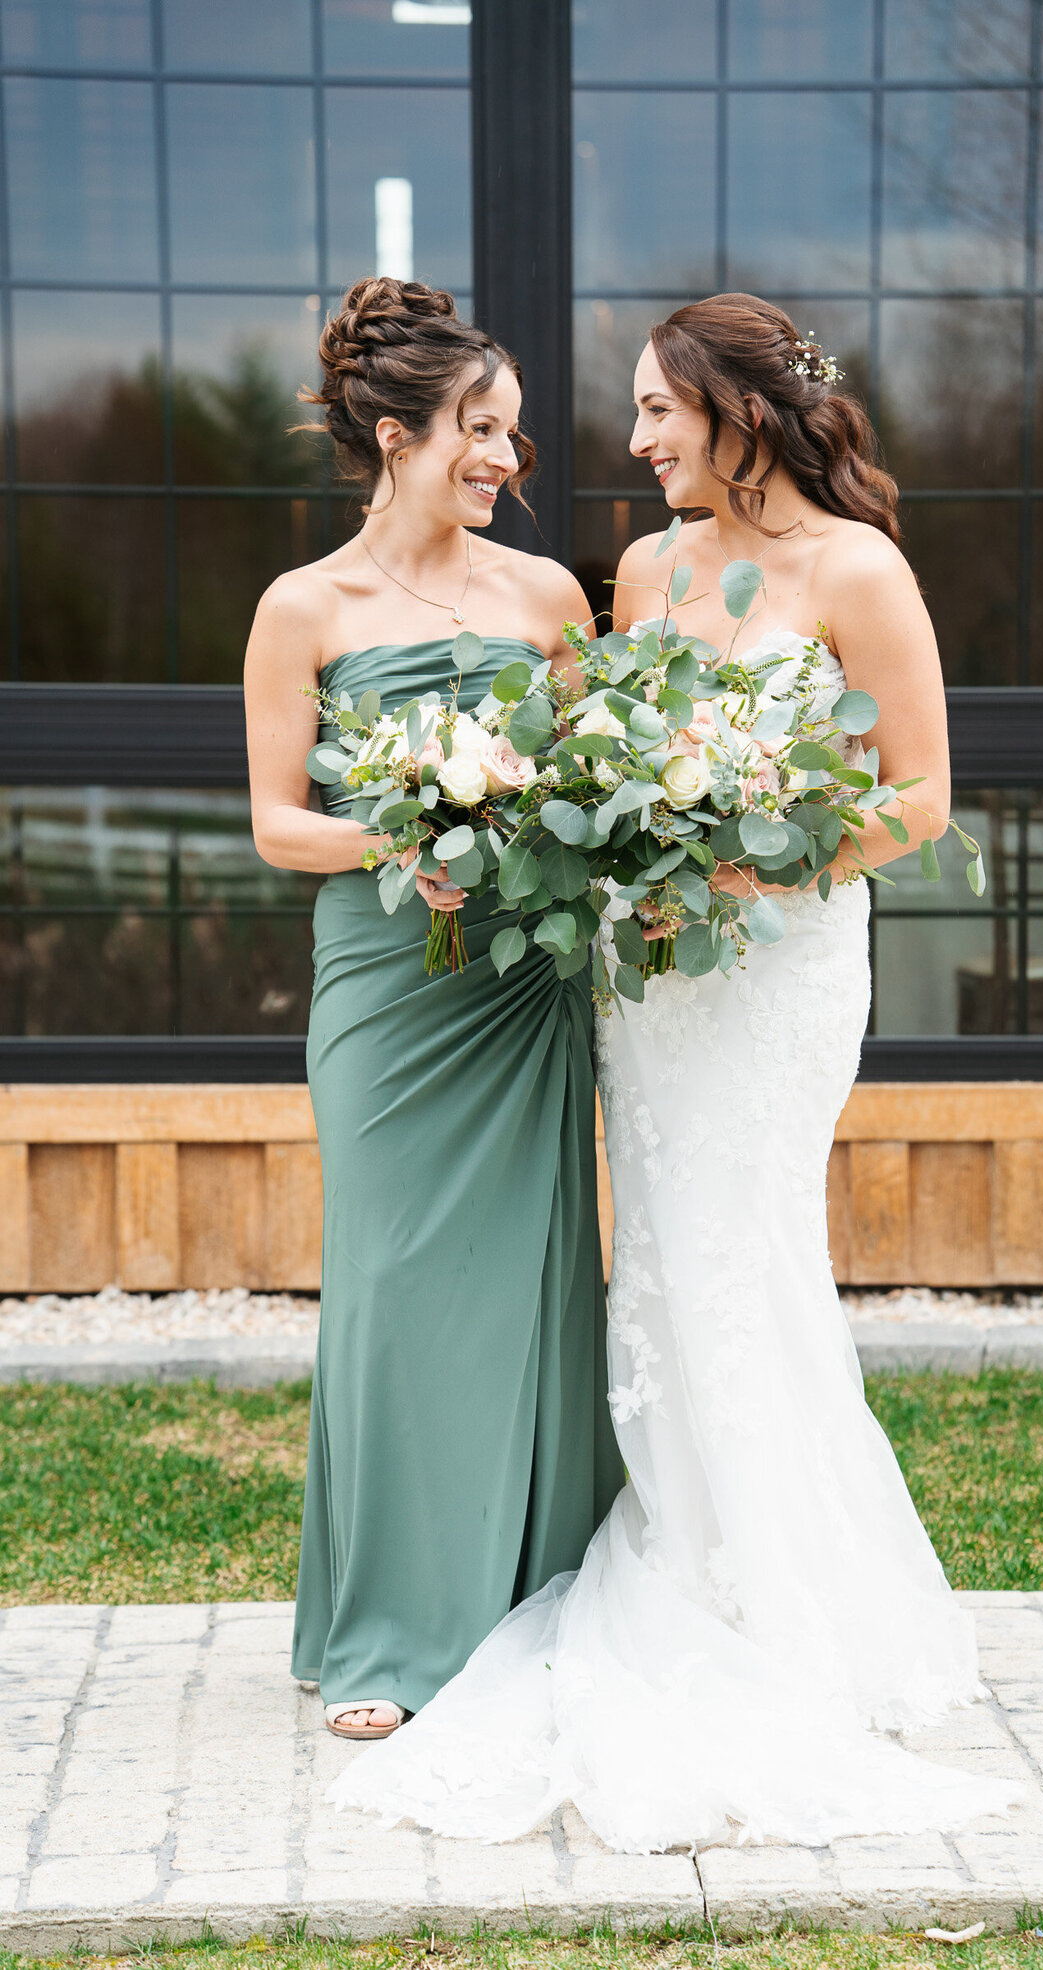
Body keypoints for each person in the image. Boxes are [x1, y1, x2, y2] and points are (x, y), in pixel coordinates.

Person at [326, 292, 1021, 1849]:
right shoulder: (642, 571)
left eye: (656, 410)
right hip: (655, 982)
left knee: (747, 1247)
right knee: (662, 1265)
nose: (632, 439)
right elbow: (605, 763)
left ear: (739, 413)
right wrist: (627, 839)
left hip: (776, 975)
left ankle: (782, 1595)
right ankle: (699, 1543)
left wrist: (756, 870)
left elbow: (917, 795)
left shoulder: (859, 571)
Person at [243, 276, 623, 1742]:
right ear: (395, 432)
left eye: (515, 435)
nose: (505, 460)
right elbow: (280, 821)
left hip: (524, 986)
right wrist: (415, 838)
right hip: (390, 992)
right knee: (397, 1280)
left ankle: (540, 1599)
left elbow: (591, 792)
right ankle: (388, 1625)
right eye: (481, 428)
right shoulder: (306, 609)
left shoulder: (547, 597)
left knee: (535, 1280)